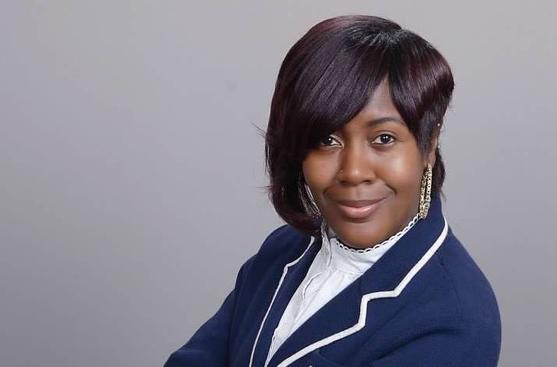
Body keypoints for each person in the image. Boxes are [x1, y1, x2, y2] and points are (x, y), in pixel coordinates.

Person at [165, 15, 501, 367]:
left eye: (383, 139)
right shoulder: (282, 250)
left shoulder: (454, 319)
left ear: (429, 142)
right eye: (327, 139)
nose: (353, 172)